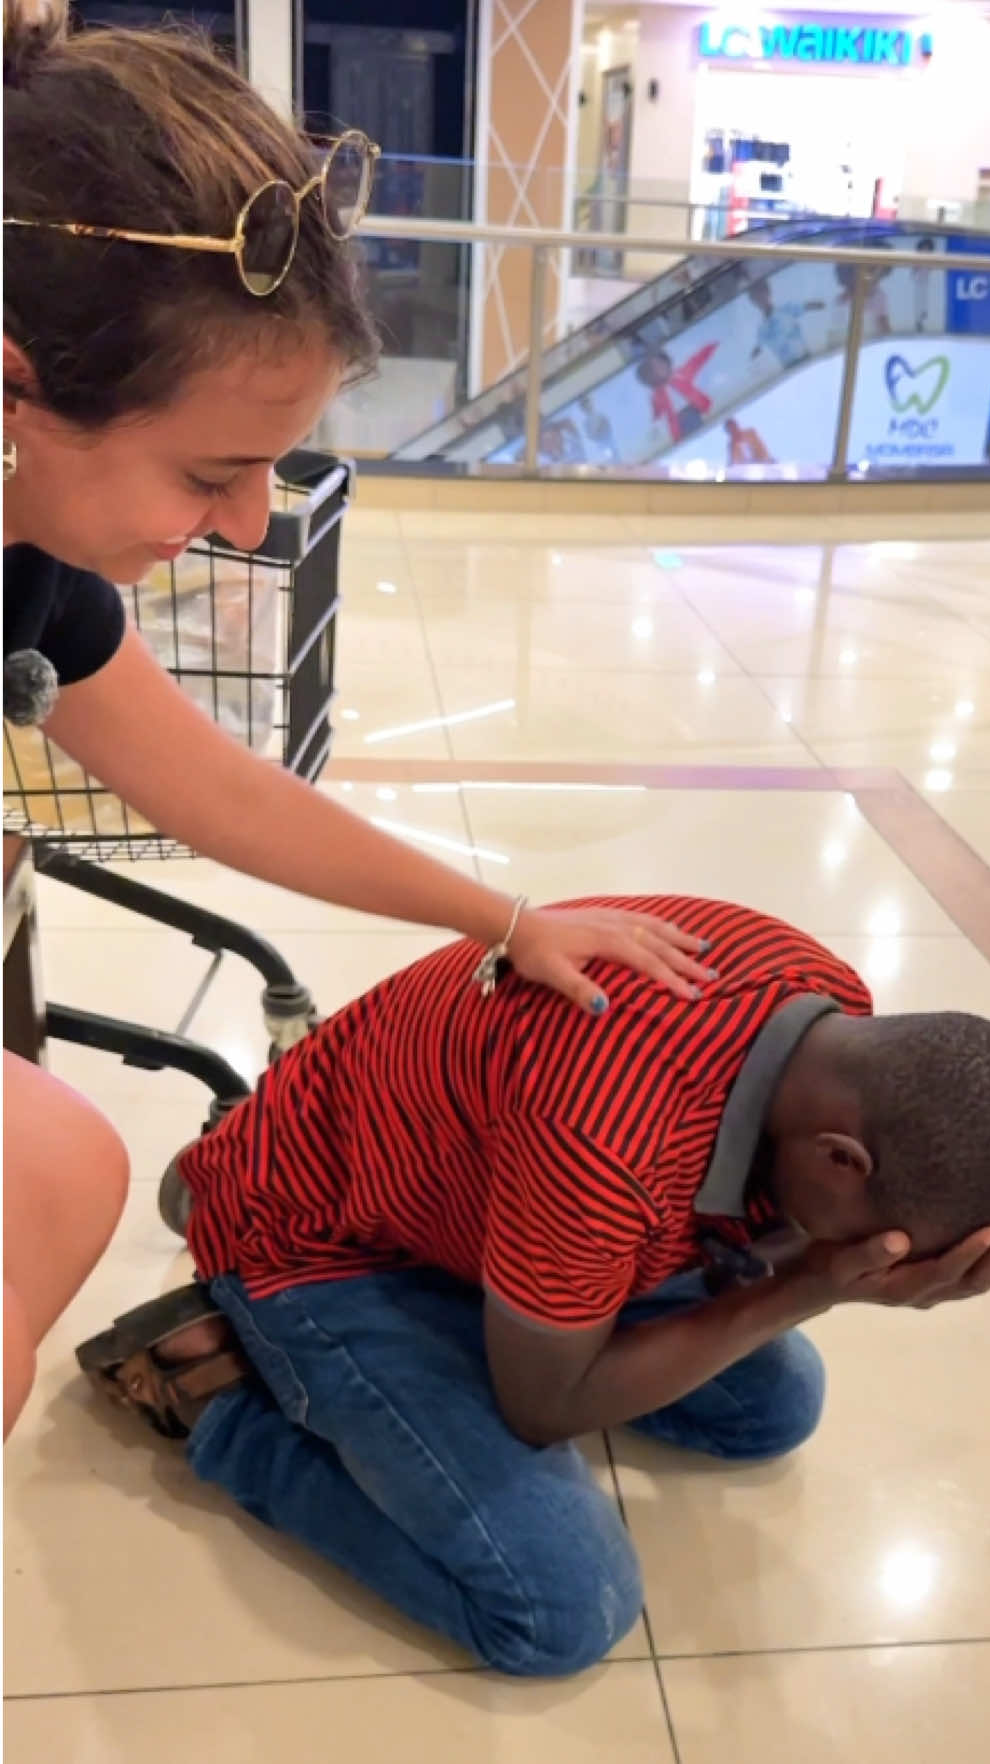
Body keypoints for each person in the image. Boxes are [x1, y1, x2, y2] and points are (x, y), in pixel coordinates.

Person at [0, 8, 711, 1439]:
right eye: (210, 470)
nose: (245, 523)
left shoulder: (37, 567)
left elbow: (217, 788)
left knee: (62, 1167)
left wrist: (505, 918)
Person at [76, 894, 990, 1679]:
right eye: (884, 1244)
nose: (879, 1262)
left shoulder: (818, 992)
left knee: (773, 1406)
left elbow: (737, 1204)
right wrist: (814, 1285)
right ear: (842, 1158)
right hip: (322, 1239)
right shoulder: (603, 1139)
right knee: (558, 1610)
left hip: (478, 1197)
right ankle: (219, 1396)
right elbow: (543, 1408)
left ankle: (507, 1312)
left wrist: (815, 1266)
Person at [747, 276, 826, 371]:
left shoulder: (786, 309)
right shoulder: (762, 329)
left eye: (761, 293)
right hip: (789, 369)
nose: (760, 299)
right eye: (756, 297)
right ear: (753, 302)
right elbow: (758, 347)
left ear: (768, 292)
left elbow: (807, 306)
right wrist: (750, 359)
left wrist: (822, 304)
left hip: (806, 360)